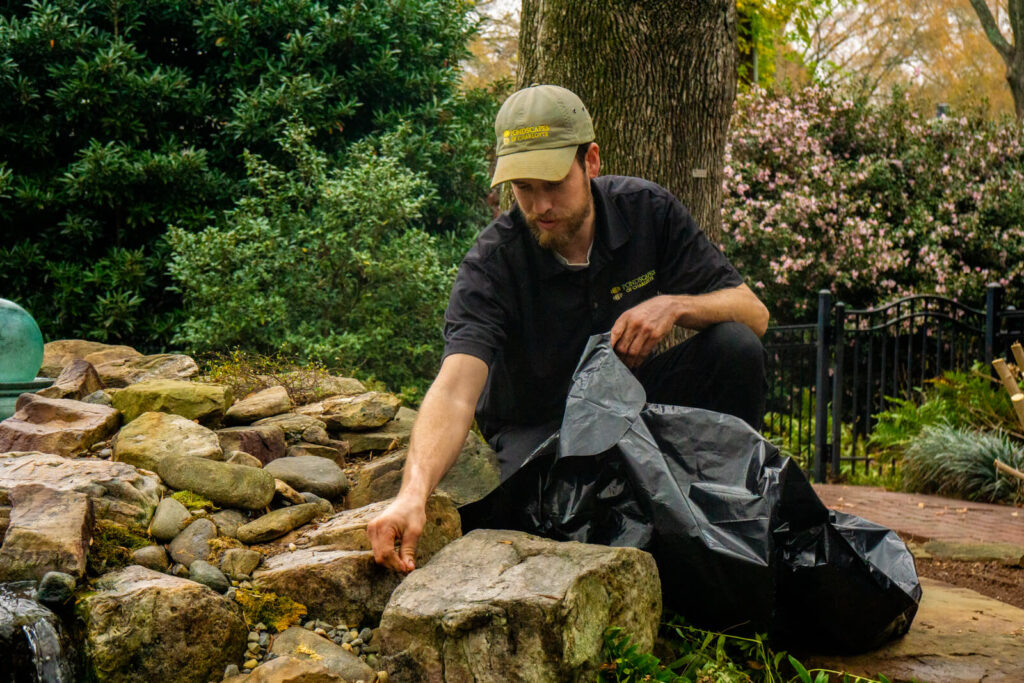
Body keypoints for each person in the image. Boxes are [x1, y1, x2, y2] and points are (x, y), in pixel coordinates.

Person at [368, 85, 769, 573]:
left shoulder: (647, 210)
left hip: (632, 405)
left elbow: (754, 313)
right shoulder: (492, 264)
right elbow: (455, 388)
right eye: (523, 188)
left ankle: (736, 522)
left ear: (591, 161)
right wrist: (413, 492)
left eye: (553, 183)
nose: (539, 206)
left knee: (735, 347)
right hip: (540, 432)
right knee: (552, 516)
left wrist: (674, 305)